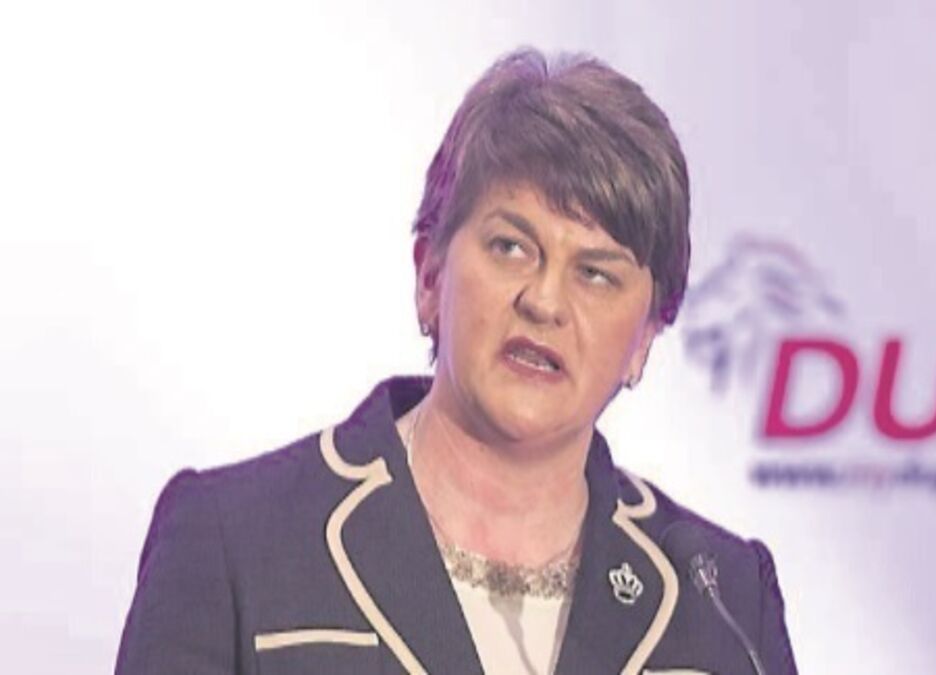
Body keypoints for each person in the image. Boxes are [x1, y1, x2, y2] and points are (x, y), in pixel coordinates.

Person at [116, 47, 797, 675]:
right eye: (510, 247)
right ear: (430, 274)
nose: (544, 301)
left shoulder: (724, 598)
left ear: (645, 336)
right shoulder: (235, 540)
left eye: (595, 273)